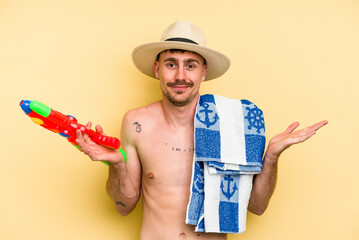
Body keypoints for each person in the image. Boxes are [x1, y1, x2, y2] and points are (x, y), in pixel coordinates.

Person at [75, 21, 328, 240]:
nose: (180, 75)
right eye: (171, 64)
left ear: (203, 72)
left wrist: (271, 157)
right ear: (157, 69)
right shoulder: (137, 123)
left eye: (191, 65)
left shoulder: (234, 123)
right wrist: (117, 165)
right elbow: (123, 206)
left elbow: (257, 207)